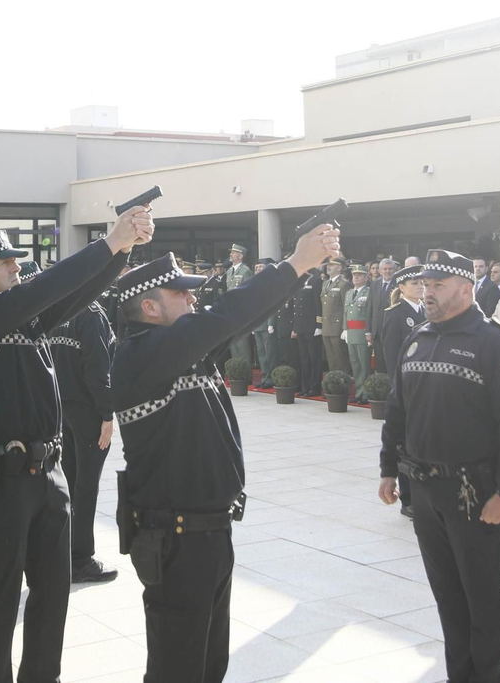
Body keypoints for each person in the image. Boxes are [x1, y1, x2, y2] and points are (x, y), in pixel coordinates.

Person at [114, 226, 342, 683]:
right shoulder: (142, 354)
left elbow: (239, 318)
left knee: (208, 665)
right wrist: (294, 263)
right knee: (177, 668)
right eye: (181, 294)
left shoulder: (178, 352)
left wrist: (301, 272)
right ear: (149, 307)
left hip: (208, 533)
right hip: (175, 539)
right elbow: (223, 316)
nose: (193, 301)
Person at [0, 209, 152, 683]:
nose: (18, 266)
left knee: (53, 592)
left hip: (48, 474)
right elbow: (44, 289)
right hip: (1, 478)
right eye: (6, 262)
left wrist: (121, 249)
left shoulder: (21, 317)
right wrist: (107, 243)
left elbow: (74, 292)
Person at [378, 249, 500, 683]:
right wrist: (389, 468)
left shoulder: (496, 341)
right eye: (425, 285)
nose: (427, 292)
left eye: (438, 285)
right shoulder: (418, 338)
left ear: (466, 289)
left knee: (482, 597)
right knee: (448, 596)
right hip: (426, 493)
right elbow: (399, 409)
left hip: (475, 492)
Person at [49, 292, 120, 584]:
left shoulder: (59, 310)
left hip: (61, 407)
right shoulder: (91, 315)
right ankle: (80, 558)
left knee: (68, 483)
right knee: (86, 486)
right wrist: (107, 414)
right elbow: (98, 371)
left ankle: (62, 550)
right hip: (87, 410)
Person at [378, 264, 425, 380]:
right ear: (402, 288)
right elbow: (391, 352)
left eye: (422, 283)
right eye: (415, 283)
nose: (420, 287)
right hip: (408, 374)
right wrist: (396, 381)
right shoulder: (395, 313)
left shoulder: (429, 311)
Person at [343, 264, 374, 399]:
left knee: (364, 365)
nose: (355, 277)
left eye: (359, 275)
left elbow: (371, 314)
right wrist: (345, 329)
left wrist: (369, 332)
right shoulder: (349, 293)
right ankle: (359, 392)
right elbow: (346, 313)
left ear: (366, 277)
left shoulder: (369, 292)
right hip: (351, 332)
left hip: (362, 333)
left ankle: (366, 393)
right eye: (354, 275)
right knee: (355, 364)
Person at [296, 268, 326, 395]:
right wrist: (296, 326)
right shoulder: (300, 281)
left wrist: (319, 325)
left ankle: (314, 387)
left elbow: (317, 304)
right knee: (304, 358)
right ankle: (306, 386)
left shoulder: (316, 280)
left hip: (312, 326)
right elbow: (296, 305)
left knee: (314, 358)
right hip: (301, 326)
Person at [319, 258, 349, 380]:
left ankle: (341, 384)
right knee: (331, 359)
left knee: (340, 359)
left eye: (332, 265)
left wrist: (344, 328)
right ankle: (333, 383)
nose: (328, 267)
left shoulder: (344, 284)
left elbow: (346, 308)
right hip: (326, 327)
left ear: (340, 268)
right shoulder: (325, 283)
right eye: (327, 265)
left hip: (337, 328)